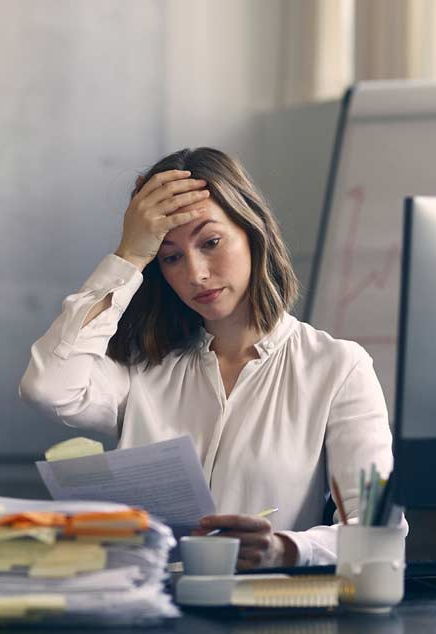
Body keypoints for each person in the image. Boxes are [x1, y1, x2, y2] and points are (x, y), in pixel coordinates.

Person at [20, 146, 394, 569]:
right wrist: (129, 255)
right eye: (171, 257)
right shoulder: (143, 369)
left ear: (252, 232)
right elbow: (47, 388)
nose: (195, 273)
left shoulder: (338, 367)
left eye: (211, 242)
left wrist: (283, 549)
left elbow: (378, 530)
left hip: (263, 619)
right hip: (148, 612)